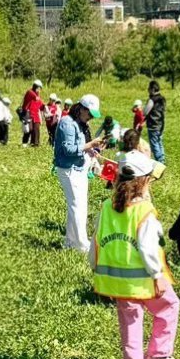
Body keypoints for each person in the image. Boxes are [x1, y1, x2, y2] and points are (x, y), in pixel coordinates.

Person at [90, 151, 179, 359]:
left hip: (117, 283)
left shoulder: (107, 207)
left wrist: (95, 268)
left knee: (131, 328)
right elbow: (149, 247)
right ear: (144, 181)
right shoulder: (145, 211)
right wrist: (158, 274)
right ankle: (158, 356)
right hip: (145, 281)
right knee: (169, 305)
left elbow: (96, 241)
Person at [53, 94, 106, 253]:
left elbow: (80, 145)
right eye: (89, 114)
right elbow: (69, 150)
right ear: (81, 109)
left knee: (79, 206)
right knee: (77, 206)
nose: (90, 118)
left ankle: (70, 242)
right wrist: (90, 144)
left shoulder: (80, 124)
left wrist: (92, 150)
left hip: (79, 168)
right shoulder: (67, 124)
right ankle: (82, 245)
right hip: (69, 169)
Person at [145, 80, 166, 163]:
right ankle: (162, 158)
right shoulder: (162, 99)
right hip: (161, 124)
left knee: (154, 144)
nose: (148, 90)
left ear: (152, 89)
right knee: (159, 142)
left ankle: (160, 161)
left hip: (153, 125)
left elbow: (145, 112)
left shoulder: (152, 100)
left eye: (149, 88)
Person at [22, 79, 44, 147]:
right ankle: (24, 143)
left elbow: (39, 103)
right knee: (28, 129)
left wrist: (43, 106)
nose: (39, 90)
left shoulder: (37, 94)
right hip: (27, 113)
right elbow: (35, 98)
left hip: (35, 114)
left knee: (36, 129)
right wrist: (37, 97)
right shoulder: (30, 92)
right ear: (36, 87)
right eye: (39, 88)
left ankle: (35, 144)